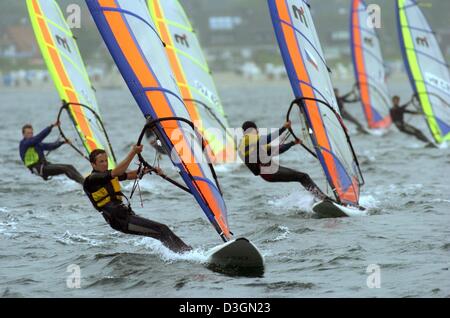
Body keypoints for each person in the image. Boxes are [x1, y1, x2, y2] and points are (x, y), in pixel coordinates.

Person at [83, 146, 191, 253]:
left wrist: (150, 169)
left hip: (125, 216)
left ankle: (182, 253)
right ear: (93, 164)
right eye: (101, 161)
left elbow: (129, 175)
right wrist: (133, 152)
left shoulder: (107, 175)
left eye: (106, 160)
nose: (105, 163)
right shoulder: (92, 179)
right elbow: (116, 172)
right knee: (162, 229)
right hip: (119, 220)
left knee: (159, 232)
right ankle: (187, 253)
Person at [238, 120, 329, 201]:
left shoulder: (249, 145)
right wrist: (283, 128)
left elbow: (277, 150)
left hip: (268, 175)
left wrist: (292, 143)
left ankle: (321, 198)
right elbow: (267, 139)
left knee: (301, 177)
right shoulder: (248, 138)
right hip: (270, 172)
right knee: (303, 177)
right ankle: (323, 199)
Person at [19, 123, 84, 184]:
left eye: (31, 133)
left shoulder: (35, 144)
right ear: (23, 134)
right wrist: (51, 127)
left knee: (69, 167)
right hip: (39, 169)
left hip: (45, 165)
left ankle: (83, 181)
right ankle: (85, 184)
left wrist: (63, 142)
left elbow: (50, 146)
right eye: (28, 133)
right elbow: (38, 138)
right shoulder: (24, 144)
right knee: (65, 169)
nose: (30, 135)